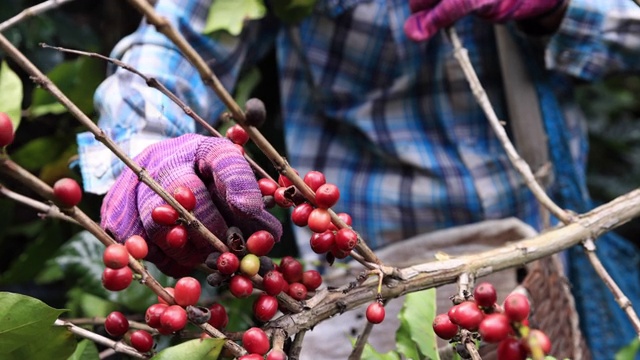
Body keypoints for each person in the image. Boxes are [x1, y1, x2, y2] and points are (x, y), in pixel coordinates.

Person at [77, 0, 640, 358]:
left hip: (555, 255)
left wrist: (563, 9)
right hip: (370, 282)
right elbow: (174, 42)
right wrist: (146, 157)